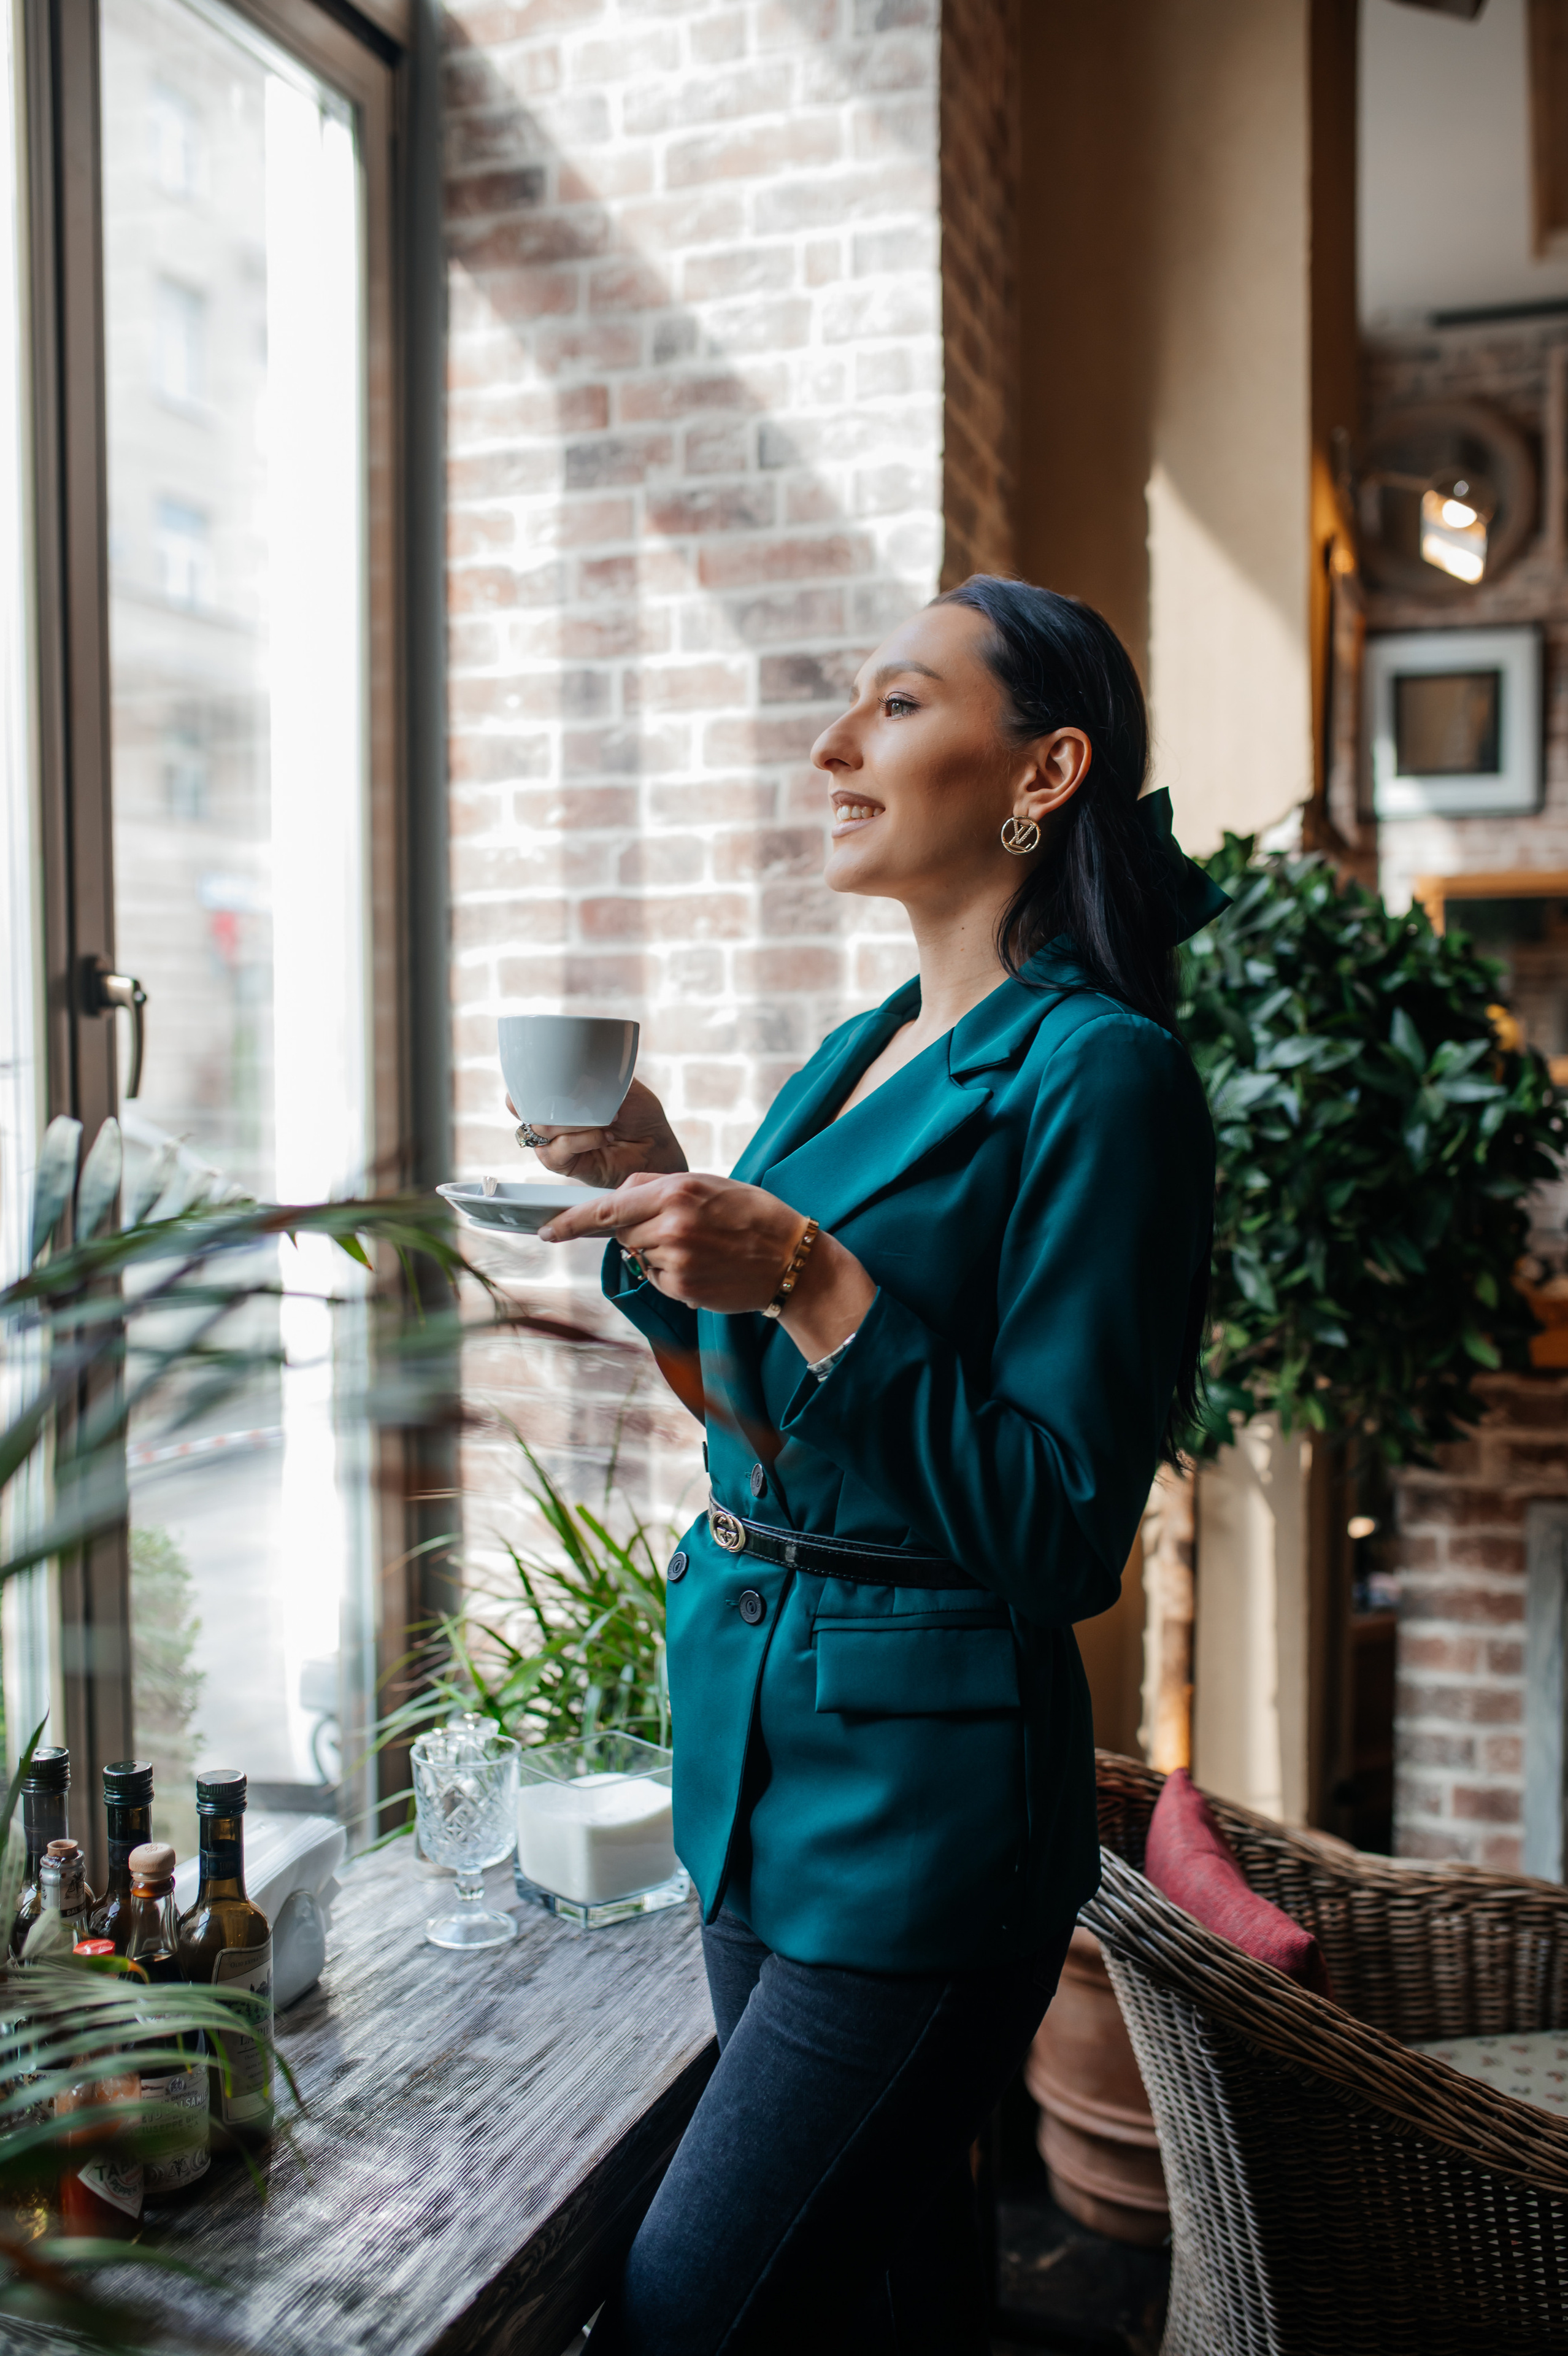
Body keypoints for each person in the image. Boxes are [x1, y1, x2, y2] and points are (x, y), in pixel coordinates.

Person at [529, 576, 1226, 2354]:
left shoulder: (1103, 1078)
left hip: (922, 1817)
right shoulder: (857, 1053)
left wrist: (816, 1275)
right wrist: (670, 1198)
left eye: (897, 706)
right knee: (889, 2281)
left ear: (1044, 771)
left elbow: (1064, 1530)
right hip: (757, 1758)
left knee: (696, 2310)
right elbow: (754, 1413)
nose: (835, 748)